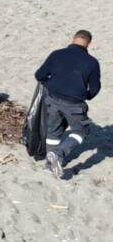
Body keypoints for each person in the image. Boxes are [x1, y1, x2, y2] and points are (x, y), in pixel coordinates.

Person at [34, 30, 101, 179]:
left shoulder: (56, 54)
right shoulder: (92, 62)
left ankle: (49, 165)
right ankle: (58, 154)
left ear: (73, 39)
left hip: (52, 99)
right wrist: (87, 96)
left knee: (54, 132)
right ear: (89, 44)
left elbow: (39, 75)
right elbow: (95, 88)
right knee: (82, 131)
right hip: (74, 103)